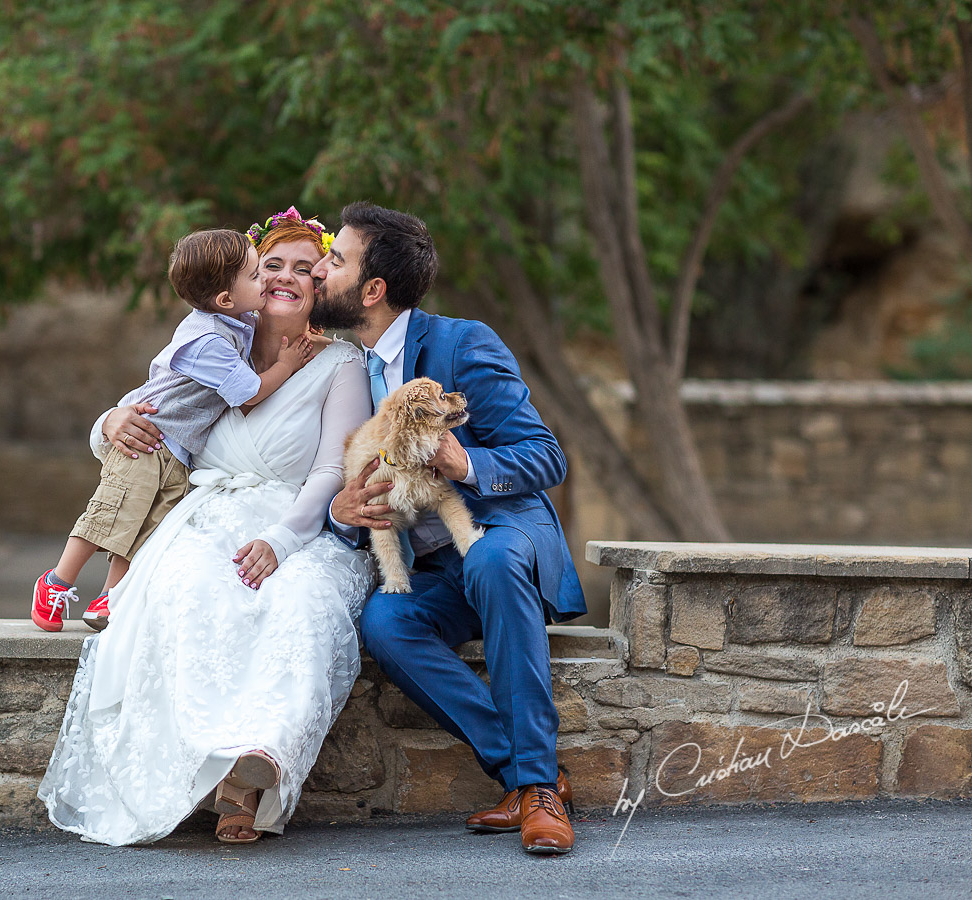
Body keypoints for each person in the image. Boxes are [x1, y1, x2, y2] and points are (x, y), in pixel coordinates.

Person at [39, 208, 376, 845]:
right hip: (199, 516)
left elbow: (333, 468)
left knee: (300, 603)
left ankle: (249, 773)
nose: (284, 278)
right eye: (270, 265)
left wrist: (281, 541)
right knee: (186, 590)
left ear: (321, 286)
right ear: (243, 281)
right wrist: (110, 422)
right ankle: (197, 760)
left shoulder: (342, 365)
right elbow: (145, 419)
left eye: (305, 269)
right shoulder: (214, 341)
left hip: (290, 523)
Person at [316, 202, 588, 855]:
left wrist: (466, 461)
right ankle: (532, 777)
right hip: (434, 568)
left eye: (335, 260)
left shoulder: (464, 343)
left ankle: (538, 792)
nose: (320, 272)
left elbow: (546, 456)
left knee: (492, 559)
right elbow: (344, 478)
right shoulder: (344, 367)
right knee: (385, 623)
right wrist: (342, 511)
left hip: (503, 536)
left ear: (373, 289)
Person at [30, 228, 313, 632]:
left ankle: (112, 596)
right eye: (257, 274)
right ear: (225, 300)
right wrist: (285, 366)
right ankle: (56, 582)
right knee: (113, 515)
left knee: (147, 528)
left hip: (178, 453)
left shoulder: (237, 319)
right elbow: (249, 394)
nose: (266, 280)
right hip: (148, 438)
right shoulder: (208, 339)